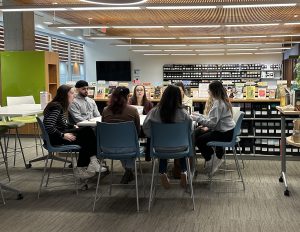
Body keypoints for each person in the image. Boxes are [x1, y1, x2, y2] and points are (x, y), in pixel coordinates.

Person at [43, 85, 106, 179]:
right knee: (86, 137)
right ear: (64, 95)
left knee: (87, 130)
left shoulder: (60, 105)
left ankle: (91, 161)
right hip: (55, 138)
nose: (74, 95)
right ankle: (85, 166)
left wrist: (73, 126)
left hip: (58, 134)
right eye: (72, 93)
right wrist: (63, 135)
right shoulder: (56, 106)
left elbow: (62, 124)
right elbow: (48, 125)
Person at [143, 85, 192, 189]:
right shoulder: (183, 113)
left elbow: (146, 128)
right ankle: (184, 171)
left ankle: (162, 173)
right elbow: (189, 130)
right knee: (182, 147)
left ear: (164, 96)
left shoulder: (154, 111)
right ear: (179, 97)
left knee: (163, 148)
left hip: (159, 147)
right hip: (180, 147)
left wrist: (154, 137)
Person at [192, 81, 235, 176]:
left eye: (209, 89)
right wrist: (200, 116)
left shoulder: (218, 104)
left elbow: (212, 124)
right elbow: (212, 118)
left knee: (199, 140)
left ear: (213, 91)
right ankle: (214, 157)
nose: (208, 91)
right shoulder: (221, 101)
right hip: (227, 131)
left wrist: (197, 118)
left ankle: (212, 159)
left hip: (225, 134)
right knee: (198, 133)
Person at [102, 86, 141, 184]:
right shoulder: (133, 110)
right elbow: (137, 131)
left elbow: (104, 130)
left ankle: (128, 171)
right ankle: (129, 169)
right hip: (129, 147)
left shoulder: (105, 110)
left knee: (119, 143)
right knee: (129, 143)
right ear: (128, 96)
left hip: (108, 148)